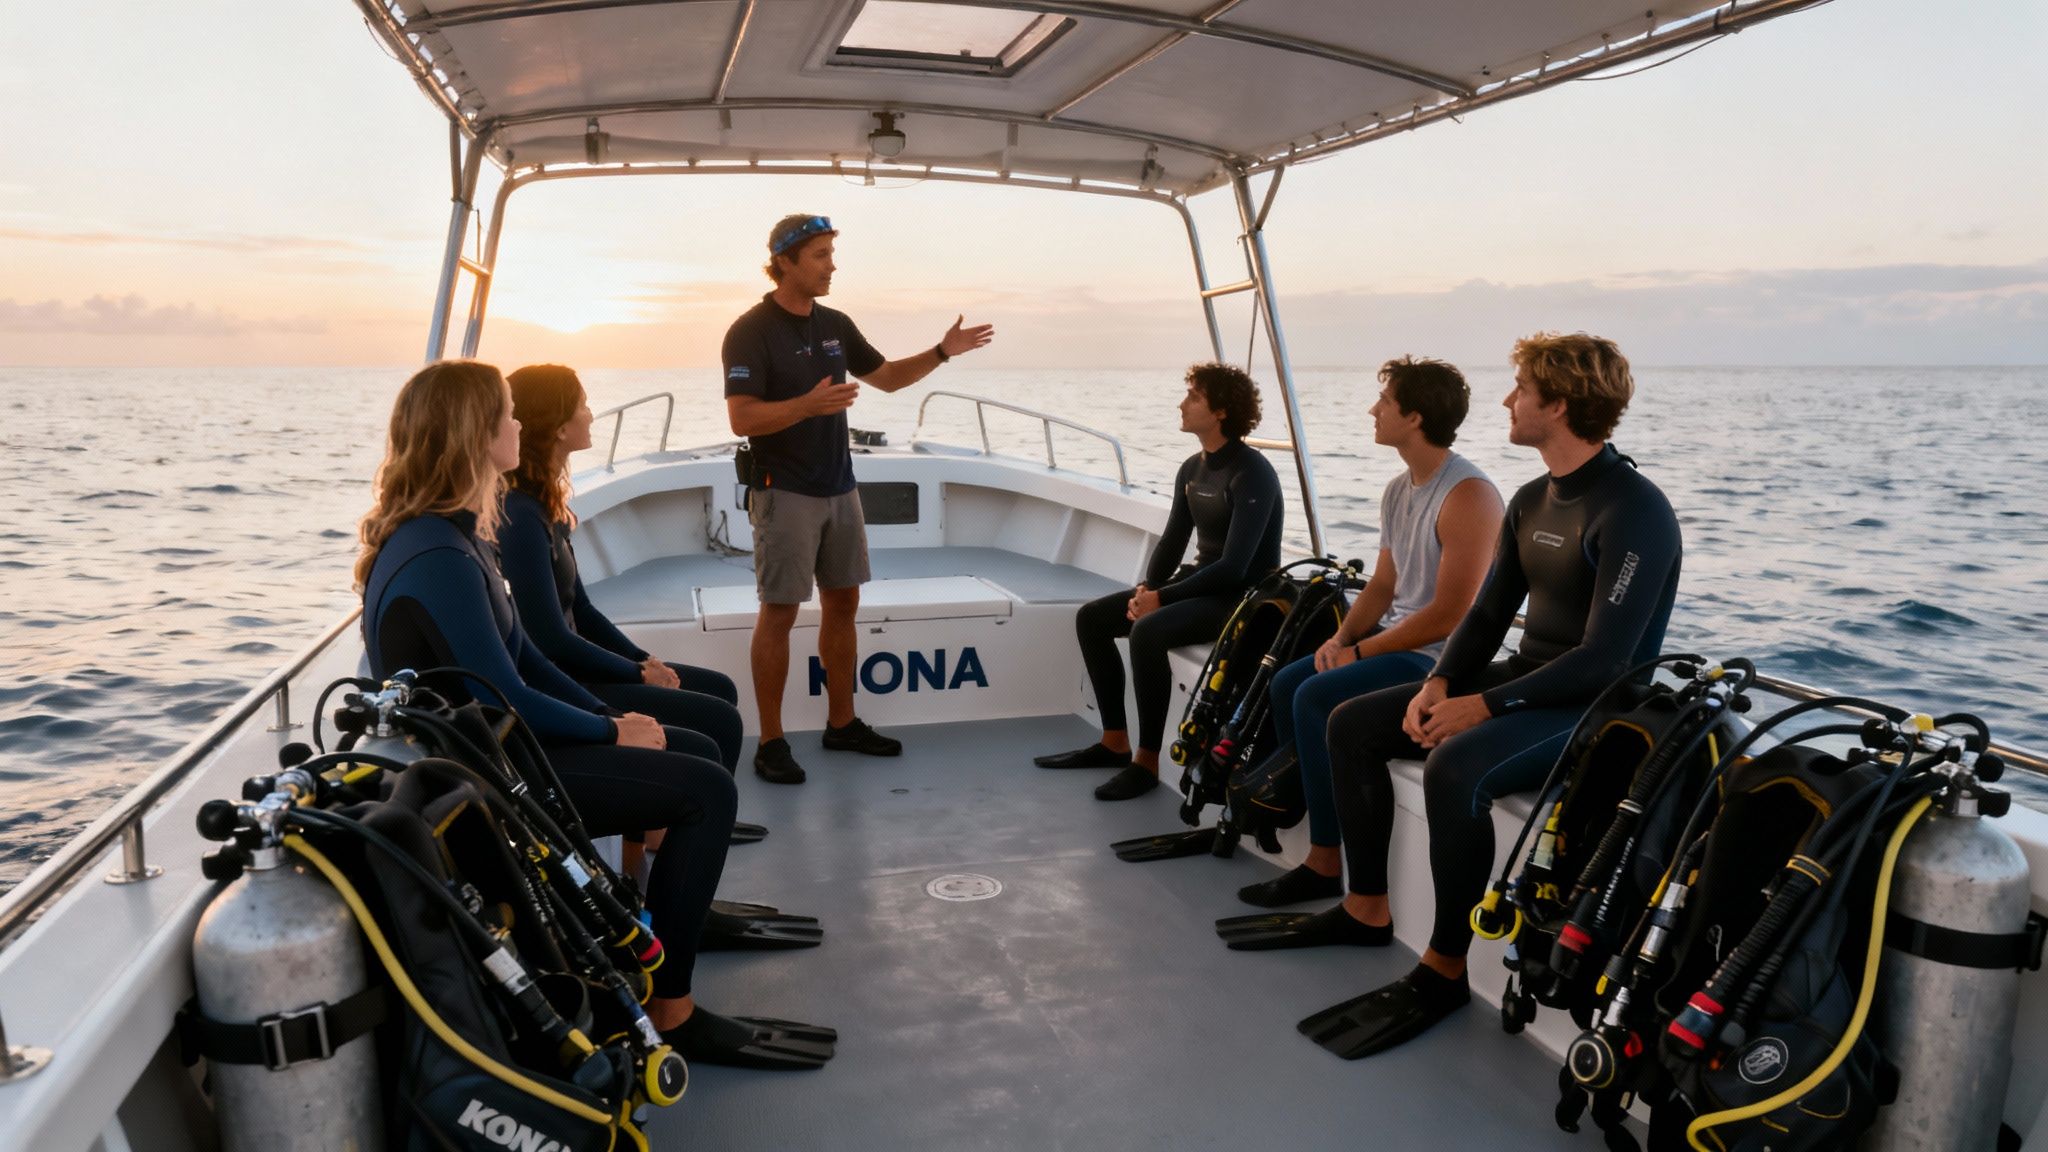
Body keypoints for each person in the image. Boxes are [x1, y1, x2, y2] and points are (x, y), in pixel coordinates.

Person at [357, 360, 834, 1070]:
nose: (517, 424)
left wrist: (611, 719)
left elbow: (525, 660)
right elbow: (502, 695)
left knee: (696, 752)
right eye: (506, 415)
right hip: (487, 780)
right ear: (473, 435)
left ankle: (673, 921)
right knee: (707, 790)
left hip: (503, 748)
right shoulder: (439, 554)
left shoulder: (458, 537)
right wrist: (612, 727)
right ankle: (671, 1012)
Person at [1228, 332, 1681, 1063]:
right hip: (1528, 679)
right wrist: (1441, 680)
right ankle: (1365, 904)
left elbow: (1608, 659)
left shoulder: (1634, 510)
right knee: (1349, 721)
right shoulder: (1536, 498)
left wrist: (1487, 706)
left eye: (1521, 389)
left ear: (1558, 405)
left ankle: (1442, 968)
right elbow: (1487, 615)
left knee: (1456, 767)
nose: (1507, 400)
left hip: (1597, 709)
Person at [724, 213, 994, 785]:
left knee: (844, 605)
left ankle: (841, 723)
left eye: (831, 254)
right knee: (779, 612)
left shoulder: (835, 323)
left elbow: (890, 377)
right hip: (784, 491)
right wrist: (805, 406)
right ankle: (770, 741)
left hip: (840, 488)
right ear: (786, 261)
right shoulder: (750, 331)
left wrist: (942, 352)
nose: (831, 266)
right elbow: (741, 415)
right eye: (819, 255)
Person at [1231, 357, 1503, 909]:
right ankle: (1302, 813)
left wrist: (1361, 651)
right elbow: (1383, 585)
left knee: (1314, 694)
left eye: (1385, 402)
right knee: (1288, 681)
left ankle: (1325, 861)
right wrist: (1340, 640)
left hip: (1437, 662)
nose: (1372, 410)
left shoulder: (1469, 494)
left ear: (1416, 416)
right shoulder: (1400, 489)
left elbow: (1451, 613)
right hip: (1396, 643)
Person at [1033, 363, 1284, 801]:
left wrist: (1161, 600)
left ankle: (1146, 763)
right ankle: (1114, 741)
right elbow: (1172, 540)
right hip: (1202, 583)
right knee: (1092, 618)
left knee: (1148, 631)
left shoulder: (1253, 472)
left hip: (1242, 597)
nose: (1182, 404)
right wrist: (1146, 589)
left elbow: (1236, 566)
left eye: (1193, 397)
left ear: (1221, 410)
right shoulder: (1192, 468)